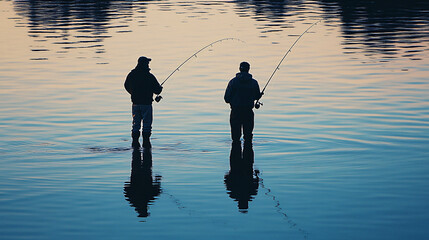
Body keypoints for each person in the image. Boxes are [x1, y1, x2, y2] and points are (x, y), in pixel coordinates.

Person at [125, 56, 163, 148]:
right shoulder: (149, 76)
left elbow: (126, 85)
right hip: (146, 104)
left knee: (135, 124)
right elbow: (157, 90)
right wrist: (160, 88)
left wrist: (132, 93)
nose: (148, 65)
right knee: (146, 125)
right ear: (145, 64)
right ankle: (146, 143)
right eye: (147, 63)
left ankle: (135, 143)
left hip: (135, 103)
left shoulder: (131, 75)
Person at [224, 61, 262, 147]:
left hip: (235, 112)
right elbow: (256, 96)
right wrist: (259, 95)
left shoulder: (233, 82)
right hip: (248, 112)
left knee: (235, 138)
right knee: (248, 137)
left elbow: (226, 99)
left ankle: (235, 157)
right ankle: (248, 158)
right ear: (249, 69)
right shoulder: (254, 82)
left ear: (239, 69)